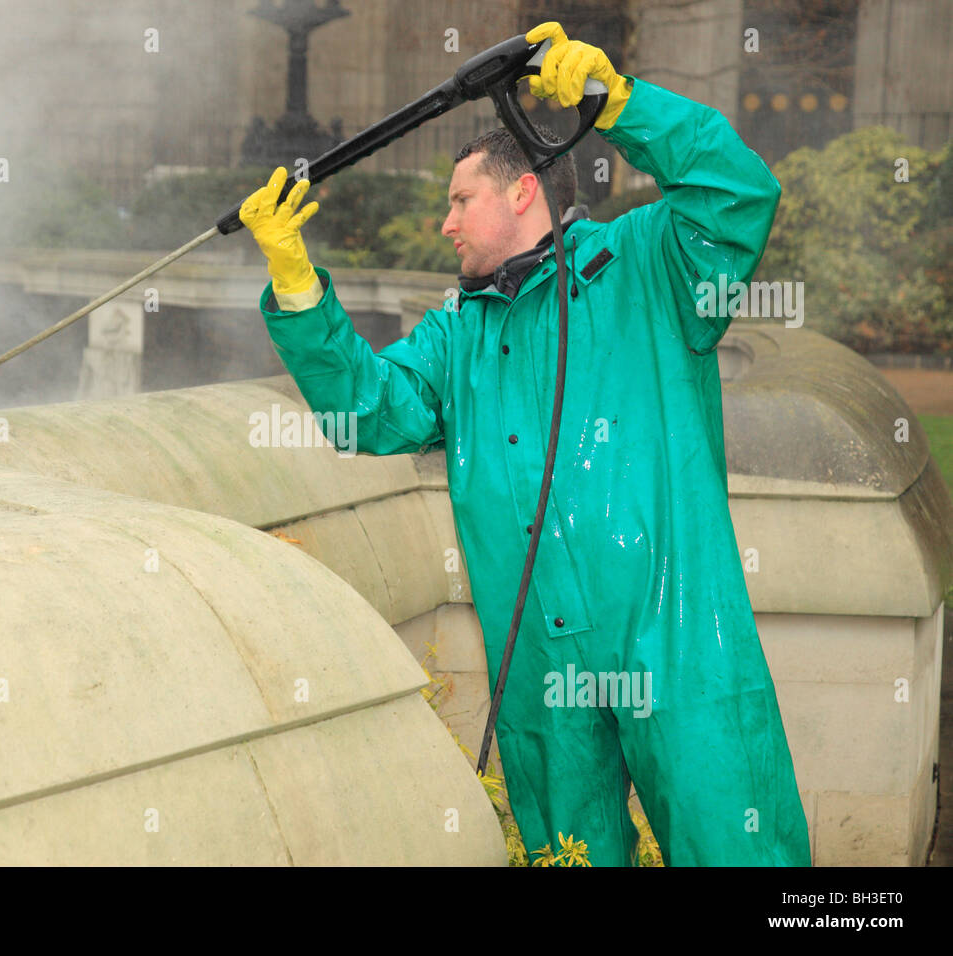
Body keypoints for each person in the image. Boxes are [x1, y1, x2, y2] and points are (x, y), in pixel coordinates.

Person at [240, 21, 811, 867]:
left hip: (679, 634)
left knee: (735, 843)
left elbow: (737, 194)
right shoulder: (455, 337)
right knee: (569, 857)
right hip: (541, 660)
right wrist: (295, 283)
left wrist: (620, 103)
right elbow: (366, 411)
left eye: (458, 199)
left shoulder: (652, 266)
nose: (445, 223)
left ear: (522, 194)